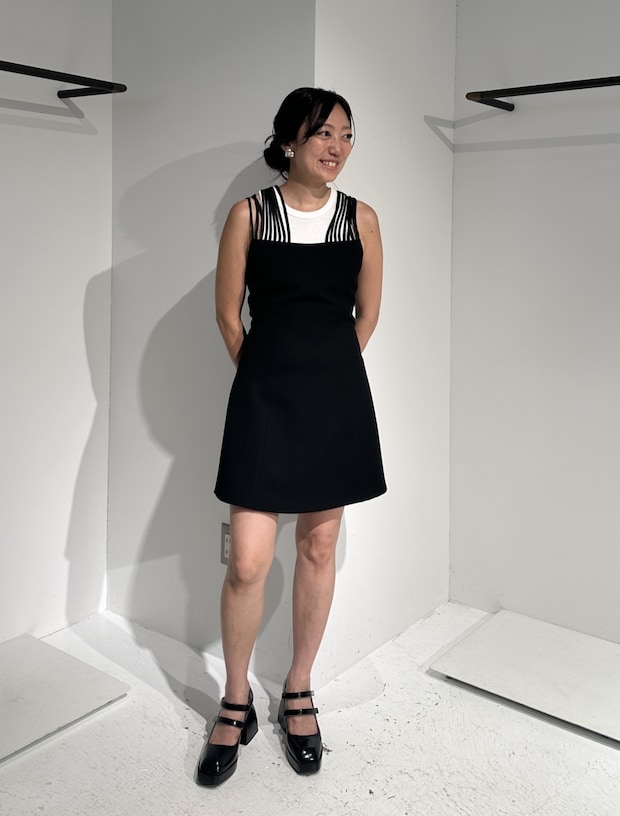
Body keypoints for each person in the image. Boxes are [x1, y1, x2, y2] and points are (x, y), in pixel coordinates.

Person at [195, 87, 386, 787]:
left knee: (318, 546)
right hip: (264, 401)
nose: (337, 147)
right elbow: (228, 317)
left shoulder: (361, 217)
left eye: (346, 134)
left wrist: (323, 376)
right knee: (247, 561)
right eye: (322, 133)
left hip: (334, 403)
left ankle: (298, 689)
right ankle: (236, 699)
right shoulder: (250, 214)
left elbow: (366, 316)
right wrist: (269, 377)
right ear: (287, 142)